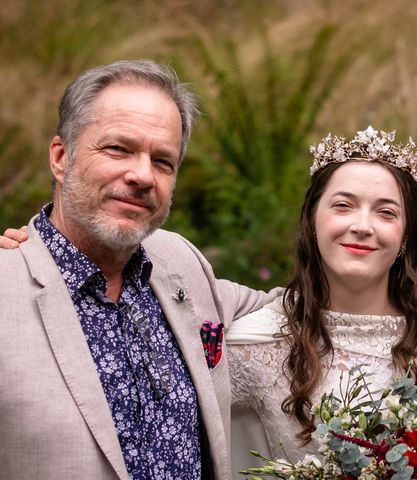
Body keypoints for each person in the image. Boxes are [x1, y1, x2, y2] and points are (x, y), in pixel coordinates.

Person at [0, 60, 279, 480]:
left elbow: (302, 310)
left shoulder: (180, 263)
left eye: (163, 161)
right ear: (61, 157)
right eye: (119, 149)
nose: (143, 176)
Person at [225, 127, 417, 479]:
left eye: (386, 213)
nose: (362, 226)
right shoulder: (253, 346)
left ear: (404, 237)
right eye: (343, 206)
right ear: (312, 220)